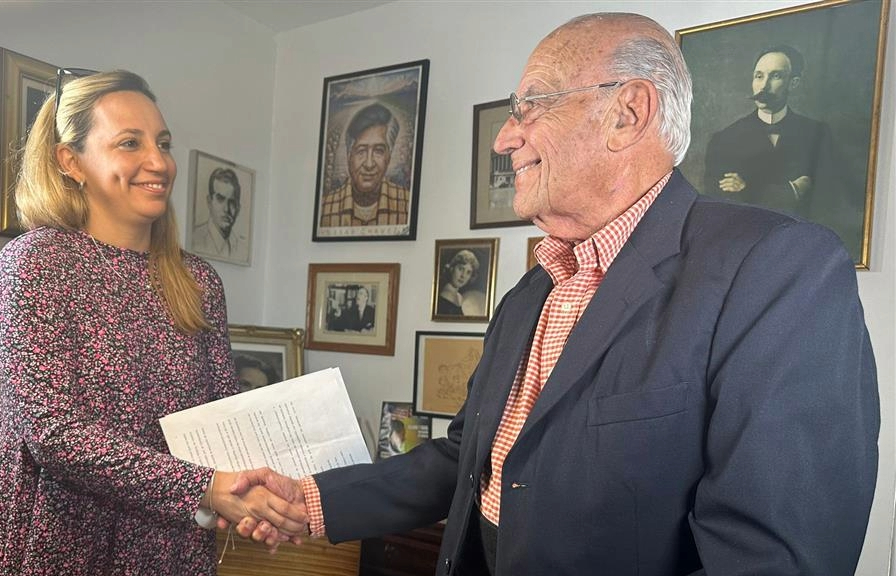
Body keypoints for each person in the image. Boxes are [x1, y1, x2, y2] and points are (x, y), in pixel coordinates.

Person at [229, 13, 879, 576]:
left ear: (627, 114)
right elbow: (468, 460)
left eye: (529, 106)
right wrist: (307, 501)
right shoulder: (531, 290)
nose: (503, 137)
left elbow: (775, 557)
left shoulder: (776, 267)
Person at [0, 70, 304, 576]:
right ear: (72, 162)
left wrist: (256, 496)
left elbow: (222, 418)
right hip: (46, 538)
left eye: (163, 143)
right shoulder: (34, 263)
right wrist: (205, 488)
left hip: (166, 544)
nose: (159, 162)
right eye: (130, 143)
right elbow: (54, 432)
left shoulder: (198, 280)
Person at [703, 45, 842, 219]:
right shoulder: (724, 140)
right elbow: (720, 206)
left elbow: (828, 200)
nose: (764, 86)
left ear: (793, 83)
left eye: (775, 76)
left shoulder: (817, 134)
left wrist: (747, 189)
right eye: (759, 76)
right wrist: (793, 190)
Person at [319, 102, 410, 227]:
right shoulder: (325, 207)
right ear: (349, 155)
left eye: (378, 151)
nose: (369, 164)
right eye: (361, 151)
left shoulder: (407, 203)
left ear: (388, 157)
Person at [192, 167, 247, 259]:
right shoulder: (196, 237)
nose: (226, 209)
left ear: (238, 208)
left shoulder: (242, 248)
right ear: (209, 202)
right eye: (220, 199)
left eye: (232, 202)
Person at [435, 249, 485, 317]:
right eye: (461, 269)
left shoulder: (459, 297)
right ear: (452, 268)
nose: (463, 275)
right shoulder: (444, 295)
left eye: (468, 272)